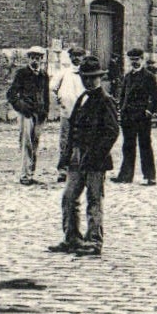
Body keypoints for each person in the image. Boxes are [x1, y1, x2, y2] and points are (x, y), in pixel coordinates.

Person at [49, 55, 120, 258]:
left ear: (100, 78)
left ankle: (94, 241)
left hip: (95, 160)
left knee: (94, 200)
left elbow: (112, 131)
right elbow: (72, 130)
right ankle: (71, 238)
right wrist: (65, 156)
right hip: (76, 157)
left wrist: (96, 154)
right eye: (85, 77)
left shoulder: (105, 101)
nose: (88, 81)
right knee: (69, 198)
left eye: (92, 77)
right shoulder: (82, 99)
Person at [112, 48, 157, 185]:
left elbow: (156, 97)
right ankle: (126, 175)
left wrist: (149, 111)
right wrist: (121, 108)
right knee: (127, 146)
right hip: (128, 116)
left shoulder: (149, 76)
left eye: (137, 60)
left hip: (142, 117)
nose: (134, 63)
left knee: (145, 145)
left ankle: (150, 176)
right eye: (132, 60)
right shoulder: (127, 77)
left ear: (142, 59)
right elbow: (123, 95)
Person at [6, 46, 50, 184]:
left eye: (38, 58)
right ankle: (24, 175)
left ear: (42, 59)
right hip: (27, 114)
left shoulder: (44, 75)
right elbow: (11, 94)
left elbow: (46, 95)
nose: (35, 61)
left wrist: (45, 111)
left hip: (39, 114)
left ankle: (31, 173)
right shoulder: (22, 73)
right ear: (28, 59)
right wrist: (22, 107)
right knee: (26, 143)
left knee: (35, 143)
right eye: (32, 58)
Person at [50, 47, 85, 182]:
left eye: (79, 55)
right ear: (70, 57)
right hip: (67, 112)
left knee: (82, 140)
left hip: (83, 114)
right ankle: (63, 170)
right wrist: (59, 100)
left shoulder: (86, 74)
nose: (76, 58)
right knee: (65, 141)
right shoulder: (64, 73)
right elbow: (52, 88)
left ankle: (80, 168)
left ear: (83, 57)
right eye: (74, 56)